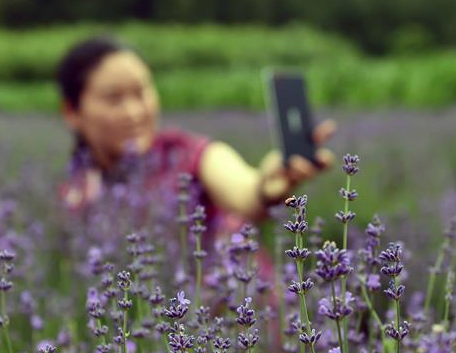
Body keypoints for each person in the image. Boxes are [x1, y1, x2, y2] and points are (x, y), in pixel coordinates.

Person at [55, 35, 336, 239]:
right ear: (72, 111)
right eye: (114, 98)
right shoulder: (77, 189)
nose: (134, 112)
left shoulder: (187, 155)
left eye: (141, 93)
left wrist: (265, 188)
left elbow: (243, 192)